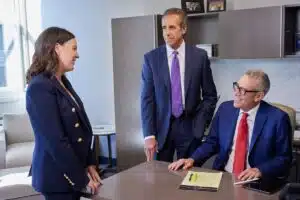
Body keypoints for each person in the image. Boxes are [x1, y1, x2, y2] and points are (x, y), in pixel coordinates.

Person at [168, 70, 293, 181]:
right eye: (236, 87)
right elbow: (212, 142)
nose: (236, 93)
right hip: (224, 177)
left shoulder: (278, 118)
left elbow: (284, 158)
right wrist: (192, 159)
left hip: (256, 181)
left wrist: (260, 170)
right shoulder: (225, 109)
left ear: (258, 96)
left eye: (242, 90)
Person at [26, 27, 101, 200]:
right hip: (57, 177)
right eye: (73, 48)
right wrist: (80, 178)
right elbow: (55, 141)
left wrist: (89, 163)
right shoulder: (39, 87)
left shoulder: (61, 82)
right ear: (57, 48)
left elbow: (80, 129)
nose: (77, 55)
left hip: (71, 171)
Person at [141, 8, 218, 162]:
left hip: (190, 127)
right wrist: (149, 135)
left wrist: (201, 124)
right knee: (161, 177)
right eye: (164, 28)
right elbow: (146, 99)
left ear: (183, 29)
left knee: (188, 176)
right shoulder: (151, 59)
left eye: (172, 27)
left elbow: (210, 95)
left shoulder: (199, 57)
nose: (167, 33)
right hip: (162, 127)